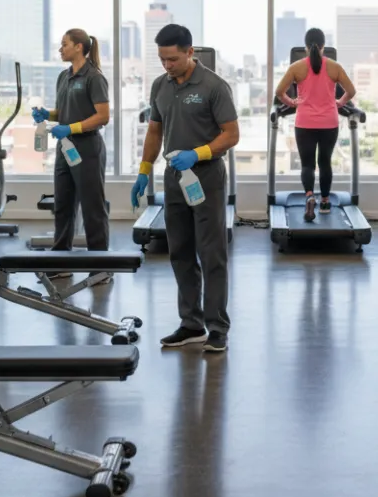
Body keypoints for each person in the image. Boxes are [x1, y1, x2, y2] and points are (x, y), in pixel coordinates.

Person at [130, 24, 239, 353]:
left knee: (211, 254)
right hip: (174, 178)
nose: (167, 65)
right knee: (179, 252)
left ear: (190, 52)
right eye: (162, 59)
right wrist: (144, 169)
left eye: (173, 59)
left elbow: (231, 134)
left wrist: (199, 152)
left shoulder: (214, 86)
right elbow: (154, 131)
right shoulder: (160, 86)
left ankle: (217, 326)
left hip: (205, 175)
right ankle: (191, 324)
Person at [31, 29, 111, 274]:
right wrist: (49, 115)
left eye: (64, 44)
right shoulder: (63, 77)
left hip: (87, 147)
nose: (60, 49)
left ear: (78, 47)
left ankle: (100, 269)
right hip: (65, 148)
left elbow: (103, 116)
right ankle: (61, 262)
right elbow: (64, 111)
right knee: (63, 205)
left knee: (92, 208)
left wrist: (71, 127)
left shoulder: (94, 77)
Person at [274, 27, 356, 222]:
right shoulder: (335, 67)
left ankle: (310, 196)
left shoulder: (296, 68)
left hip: (305, 123)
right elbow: (351, 91)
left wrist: (292, 102)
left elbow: (279, 92)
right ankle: (325, 201)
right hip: (329, 122)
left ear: (305, 47)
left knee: (307, 165)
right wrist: (339, 103)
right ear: (323, 46)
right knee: (325, 162)